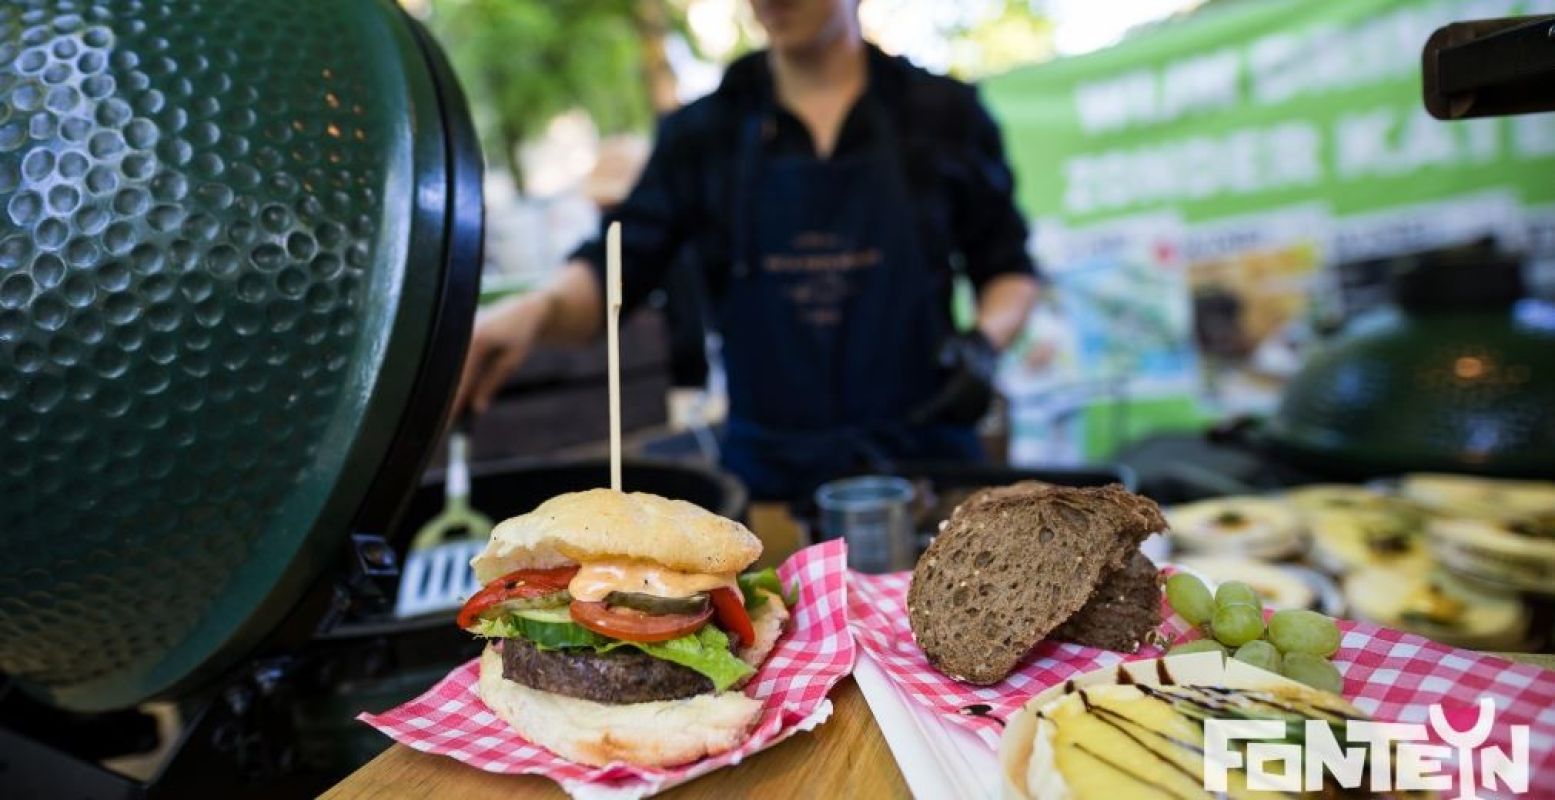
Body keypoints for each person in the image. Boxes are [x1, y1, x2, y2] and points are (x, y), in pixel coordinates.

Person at [455, 0, 1040, 501]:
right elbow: (618, 263)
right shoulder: (703, 133)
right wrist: (531, 312)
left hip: (927, 463)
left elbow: (1008, 268)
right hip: (772, 484)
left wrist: (983, 346)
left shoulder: (945, 113)